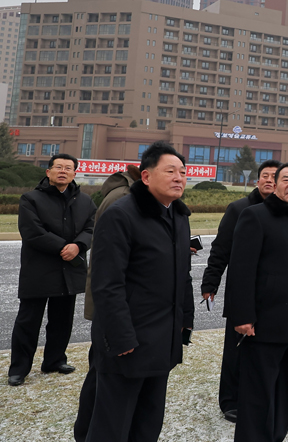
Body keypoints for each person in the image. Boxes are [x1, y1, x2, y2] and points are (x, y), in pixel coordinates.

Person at [86, 142, 194, 442]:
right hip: (128, 341)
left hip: (162, 340)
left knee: (148, 421)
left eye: (183, 172)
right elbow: (107, 284)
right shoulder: (122, 214)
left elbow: (181, 274)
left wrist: (185, 321)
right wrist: (121, 337)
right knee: (113, 425)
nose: (179, 178)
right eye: (170, 171)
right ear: (146, 177)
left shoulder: (178, 216)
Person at [228, 163, 288, 442]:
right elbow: (241, 271)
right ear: (275, 184)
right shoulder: (255, 216)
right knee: (257, 396)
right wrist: (243, 316)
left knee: (286, 393)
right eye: (286, 179)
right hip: (264, 324)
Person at [200, 159, 280, 422]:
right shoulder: (239, 209)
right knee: (237, 350)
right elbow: (221, 248)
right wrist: (210, 283)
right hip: (242, 291)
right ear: (257, 180)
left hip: (274, 296)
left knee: (267, 349)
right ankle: (230, 401)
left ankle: (262, 396)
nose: (269, 180)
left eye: (274, 176)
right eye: (265, 176)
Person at [8, 153, 95, 387]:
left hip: (70, 270)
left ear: (75, 173)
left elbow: (92, 226)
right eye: (58, 167)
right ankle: (19, 369)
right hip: (39, 270)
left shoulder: (85, 201)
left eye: (68, 168)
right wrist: (63, 247)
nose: (63, 171)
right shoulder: (31, 199)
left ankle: (54, 360)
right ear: (48, 172)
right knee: (28, 322)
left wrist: (78, 246)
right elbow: (32, 232)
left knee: (62, 321)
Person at [73, 164, 140, 441]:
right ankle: (86, 431)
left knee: (100, 373)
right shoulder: (122, 198)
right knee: (101, 376)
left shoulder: (128, 193)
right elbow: (107, 265)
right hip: (113, 306)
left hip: (117, 305)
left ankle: (87, 430)